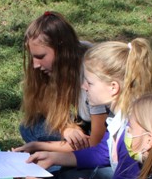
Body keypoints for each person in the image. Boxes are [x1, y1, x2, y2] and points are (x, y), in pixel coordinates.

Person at [16, 38, 152, 179]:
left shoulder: (132, 133)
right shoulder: (121, 116)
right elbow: (101, 153)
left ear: (113, 87)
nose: (84, 87)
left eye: (89, 82)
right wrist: (52, 157)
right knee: (68, 175)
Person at [18, 11, 101, 152]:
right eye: (33, 57)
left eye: (41, 56)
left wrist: (40, 146)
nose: (35, 65)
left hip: (102, 136)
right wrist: (66, 128)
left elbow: (98, 145)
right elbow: (44, 106)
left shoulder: (94, 76)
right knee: (29, 127)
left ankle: (64, 158)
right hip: (84, 125)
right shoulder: (59, 65)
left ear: (62, 50)